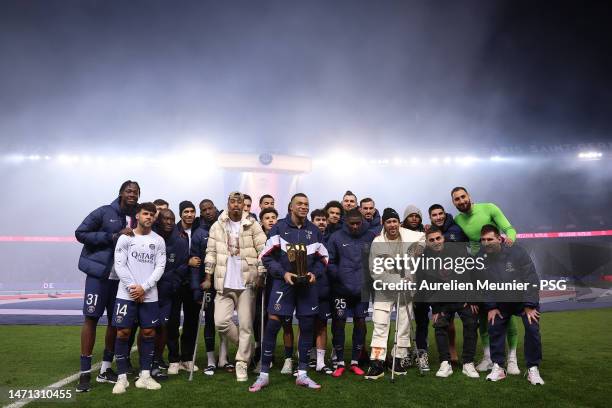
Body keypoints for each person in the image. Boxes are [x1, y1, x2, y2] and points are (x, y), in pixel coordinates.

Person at [249, 193, 329, 392]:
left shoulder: (314, 231)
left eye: (306, 204)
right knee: (273, 324)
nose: (303, 207)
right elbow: (265, 256)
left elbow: (324, 258)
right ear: (290, 207)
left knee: (307, 325)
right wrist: (282, 273)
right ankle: (264, 375)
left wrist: (315, 274)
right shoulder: (279, 228)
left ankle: (302, 374)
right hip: (283, 284)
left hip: (307, 286)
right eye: (299, 204)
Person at [74, 180, 139, 392]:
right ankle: (84, 373)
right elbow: (80, 233)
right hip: (99, 276)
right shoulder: (104, 212)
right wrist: (111, 236)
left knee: (115, 322)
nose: (132, 195)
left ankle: (105, 369)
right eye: (129, 191)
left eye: (136, 192)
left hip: (121, 279)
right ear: (121, 193)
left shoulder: (138, 216)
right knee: (91, 318)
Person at [451, 186, 520, 374]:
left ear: (469, 196)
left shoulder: (489, 208)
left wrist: (510, 240)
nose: (461, 201)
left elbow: (509, 229)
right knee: (482, 314)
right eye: (456, 199)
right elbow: (447, 231)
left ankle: (512, 358)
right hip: (478, 269)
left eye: (463, 196)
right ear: (453, 203)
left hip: (497, 264)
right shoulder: (457, 219)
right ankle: (488, 357)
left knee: (505, 311)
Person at [202, 192, 267, 382]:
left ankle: (241, 363)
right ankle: (245, 348)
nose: (236, 205)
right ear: (228, 204)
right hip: (224, 283)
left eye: (240, 202)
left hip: (247, 283)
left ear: (244, 205)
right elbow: (211, 252)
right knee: (220, 322)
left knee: (246, 325)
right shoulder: (218, 225)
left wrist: (261, 274)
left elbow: (264, 250)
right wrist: (208, 276)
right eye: (233, 202)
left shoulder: (253, 224)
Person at [111, 202, 166, 394]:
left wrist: (144, 287)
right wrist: (133, 288)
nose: (149, 217)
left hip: (149, 294)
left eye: (152, 214)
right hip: (126, 294)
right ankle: (122, 377)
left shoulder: (158, 240)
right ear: (138, 215)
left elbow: (160, 267)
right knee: (123, 333)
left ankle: (144, 376)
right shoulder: (125, 238)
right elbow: (120, 265)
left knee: (149, 333)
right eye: (145, 214)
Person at [479, 225, 545, 385]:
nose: (486, 243)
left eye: (490, 239)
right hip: (501, 301)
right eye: (483, 240)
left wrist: (530, 305)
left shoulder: (517, 252)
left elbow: (531, 278)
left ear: (499, 238)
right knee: (494, 326)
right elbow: (483, 284)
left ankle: (533, 369)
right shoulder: (481, 257)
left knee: (532, 328)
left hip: (522, 300)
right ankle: (498, 367)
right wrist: (492, 306)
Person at [365, 208, 425, 380]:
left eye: (395, 221)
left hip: (406, 290)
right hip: (384, 290)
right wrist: (396, 281)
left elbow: (422, 237)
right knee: (380, 325)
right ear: (384, 224)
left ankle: (398, 360)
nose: (392, 225)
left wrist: (418, 249)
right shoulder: (377, 241)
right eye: (389, 222)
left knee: (404, 325)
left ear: (399, 223)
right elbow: (375, 271)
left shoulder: (408, 234)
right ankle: (377, 362)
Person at [419, 226, 479, 379]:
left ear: (443, 238)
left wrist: (471, 297)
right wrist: (437, 308)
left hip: (461, 296)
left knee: (471, 322)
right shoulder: (424, 258)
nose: (435, 242)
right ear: (427, 242)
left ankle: (468, 363)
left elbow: (470, 274)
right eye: (431, 240)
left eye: (438, 238)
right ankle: (445, 362)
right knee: (439, 324)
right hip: (442, 299)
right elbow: (427, 285)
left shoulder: (458, 251)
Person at [327, 208, 377, 377]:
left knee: (361, 323)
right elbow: (330, 262)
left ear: (362, 222)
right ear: (346, 222)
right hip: (340, 290)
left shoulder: (370, 237)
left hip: (362, 289)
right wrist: (340, 275)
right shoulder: (336, 237)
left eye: (358, 223)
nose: (355, 226)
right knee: (339, 323)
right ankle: (340, 362)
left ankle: (355, 361)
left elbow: (375, 261)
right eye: (352, 224)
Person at [253, 207, 295, 374]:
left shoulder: (284, 235)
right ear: (261, 221)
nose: (270, 220)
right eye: (266, 218)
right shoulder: (257, 238)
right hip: (267, 283)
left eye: (273, 217)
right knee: (267, 322)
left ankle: (288, 359)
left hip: (284, 282)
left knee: (286, 322)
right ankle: (266, 359)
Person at [427, 203, 468, 363]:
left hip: (459, 279)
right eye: (434, 215)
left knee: (469, 319)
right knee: (446, 320)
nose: (438, 217)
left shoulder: (457, 229)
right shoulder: (429, 233)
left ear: (445, 214)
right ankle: (450, 350)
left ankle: (466, 355)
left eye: (440, 213)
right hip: (440, 283)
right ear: (430, 218)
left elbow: (470, 245)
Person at [152, 209, 189, 381]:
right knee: (145, 327)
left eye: (171, 219)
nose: (168, 222)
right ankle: (144, 360)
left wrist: (168, 283)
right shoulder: (150, 237)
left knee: (166, 326)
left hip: (169, 292)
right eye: (165, 218)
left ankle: (160, 359)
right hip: (149, 290)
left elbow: (182, 266)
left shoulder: (181, 241)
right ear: (158, 220)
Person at [166, 201, 201, 374]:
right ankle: (173, 359)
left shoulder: (200, 229)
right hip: (175, 282)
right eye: (186, 212)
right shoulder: (172, 230)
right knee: (172, 322)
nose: (189, 214)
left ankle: (187, 358)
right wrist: (187, 261)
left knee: (191, 322)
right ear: (181, 214)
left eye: (192, 211)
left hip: (193, 284)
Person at [401, 205, 430, 372]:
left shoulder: (424, 236)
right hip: (404, 283)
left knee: (422, 321)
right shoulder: (398, 234)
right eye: (410, 216)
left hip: (421, 285)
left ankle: (421, 354)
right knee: (403, 322)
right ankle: (403, 353)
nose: (414, 218)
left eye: (416, 216)